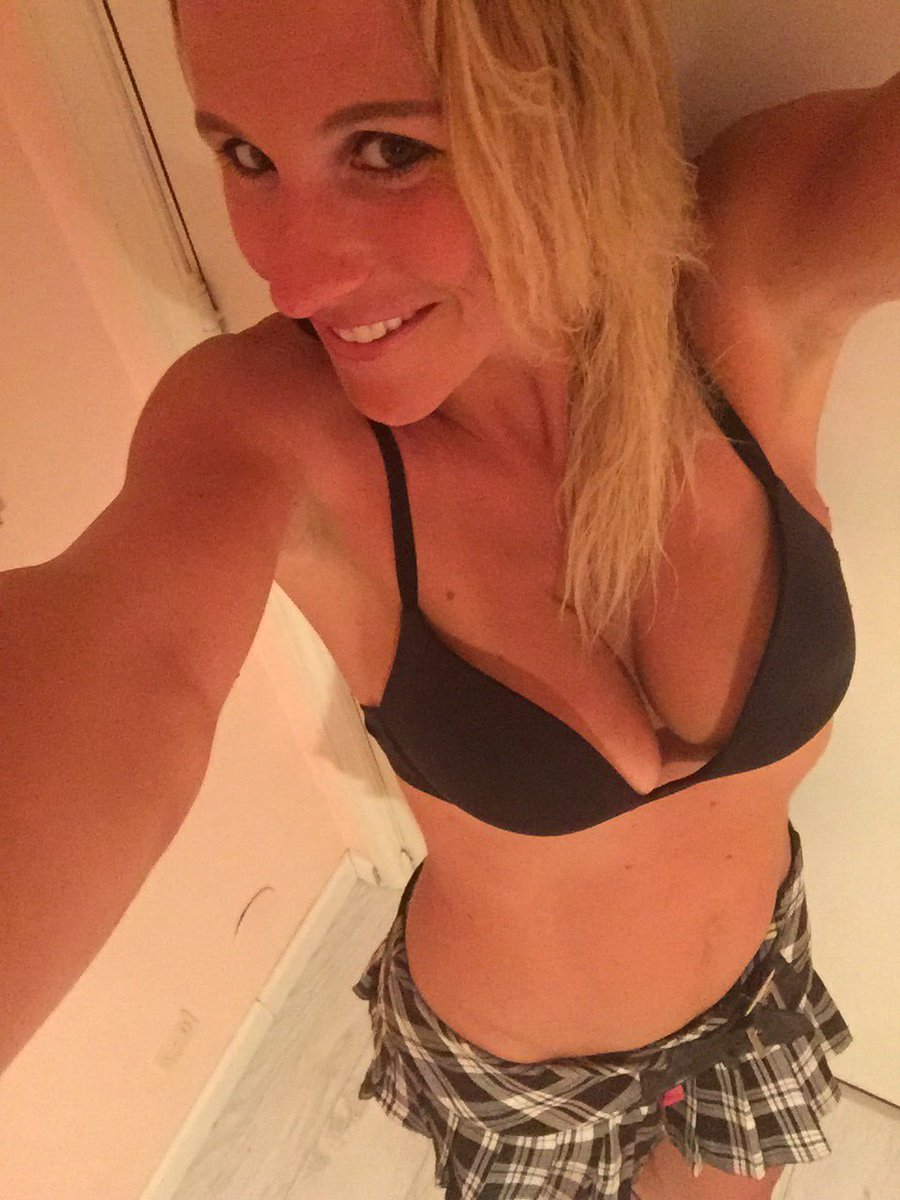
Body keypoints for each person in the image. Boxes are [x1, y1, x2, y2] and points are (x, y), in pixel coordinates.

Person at [2, 0, 897, 1195]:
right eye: (247, 156)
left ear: (569, 104)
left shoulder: (745, 267)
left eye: (389, 149)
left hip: (750, 996)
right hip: (518, 1079)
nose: (291, 274)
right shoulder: (266, 426)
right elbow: (123, 665)